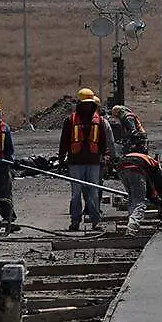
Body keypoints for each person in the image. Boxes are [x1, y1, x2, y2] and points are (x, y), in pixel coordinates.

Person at [58, 88, 109, 231]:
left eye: (89, 103)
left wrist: (106, 157)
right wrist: (61, 159)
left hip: (93, 162)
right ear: (79, 103)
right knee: (76, 193)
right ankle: (75, 221)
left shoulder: (99, 121)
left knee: (93, 192)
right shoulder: (70, 120)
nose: (87, 106)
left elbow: (103, 142)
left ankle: (95, 221)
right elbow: (64, 142)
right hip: (75, 163)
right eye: (85, 103)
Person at [115, 138, 162, 236]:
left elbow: (149, 189)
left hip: (121, 167)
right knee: (139, 202)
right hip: (136, 169)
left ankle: (131, 220)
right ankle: (132, 227)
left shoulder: (136, 156)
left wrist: (154, 198)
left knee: (132, 199)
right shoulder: (153, 163)